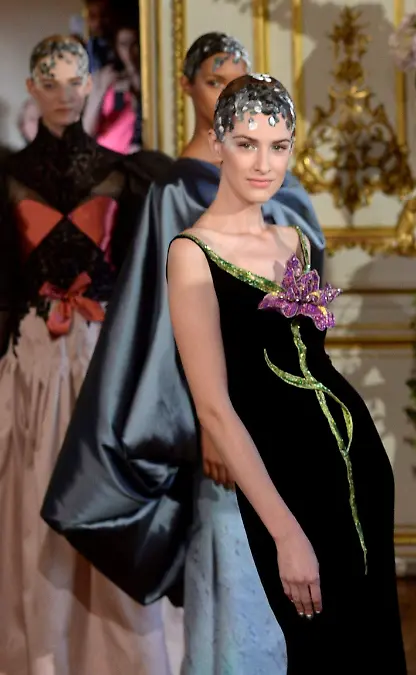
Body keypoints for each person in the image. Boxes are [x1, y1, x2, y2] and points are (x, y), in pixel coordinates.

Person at [43, 33, 324, 675]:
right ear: (190, 88)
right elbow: (165, 320)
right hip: (221, 414)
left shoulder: (280, 196)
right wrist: (206, 427)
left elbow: (308, 322)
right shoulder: (175, 194)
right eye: (215, 81)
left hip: (290, 418)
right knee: (239, 588)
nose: (229, 91)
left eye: (239, 79)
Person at [164, 73, 406, 674]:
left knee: (374, 647)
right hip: (287, 481)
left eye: (278, 146)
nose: (263, 163)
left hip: (358, 461)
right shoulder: (191, 254)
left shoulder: (295, 240)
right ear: (217, 143)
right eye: (246, 144)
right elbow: (214, 407)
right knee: (320, 652)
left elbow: (315, 360)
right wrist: (284, 533)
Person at [0, 34, 173, 675]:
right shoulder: (8, 175)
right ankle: (44, 655)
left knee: (102, 497)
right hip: (31, 358)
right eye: (51, 82)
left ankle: (114, 657)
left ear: (92, 84)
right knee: (32, 501)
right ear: (31, 89)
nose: (65, 94)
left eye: (76, 81)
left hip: (102, 355)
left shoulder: (127, 174)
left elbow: (136, 280)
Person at [83, 14, 142, 153]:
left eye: (133, 44)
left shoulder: (149, 78)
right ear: (115, 46)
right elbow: (87, 129)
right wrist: (102, 90)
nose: (129, 51)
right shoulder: (104, 76)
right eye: (123, 44)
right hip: (106, 153)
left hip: (135, 153)